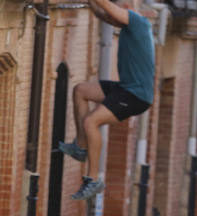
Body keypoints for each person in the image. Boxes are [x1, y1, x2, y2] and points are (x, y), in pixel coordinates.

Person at [56, 0, 154, 202]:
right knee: (81, 91)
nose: (112, 16)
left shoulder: (138, 21)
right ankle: (81, 147)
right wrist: (91, 4)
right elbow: (104, 14)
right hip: (125, 87)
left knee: (92, 121)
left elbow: (108, 8)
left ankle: (93, 179)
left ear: (126, 7)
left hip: (136, 95)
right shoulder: (128, 26)